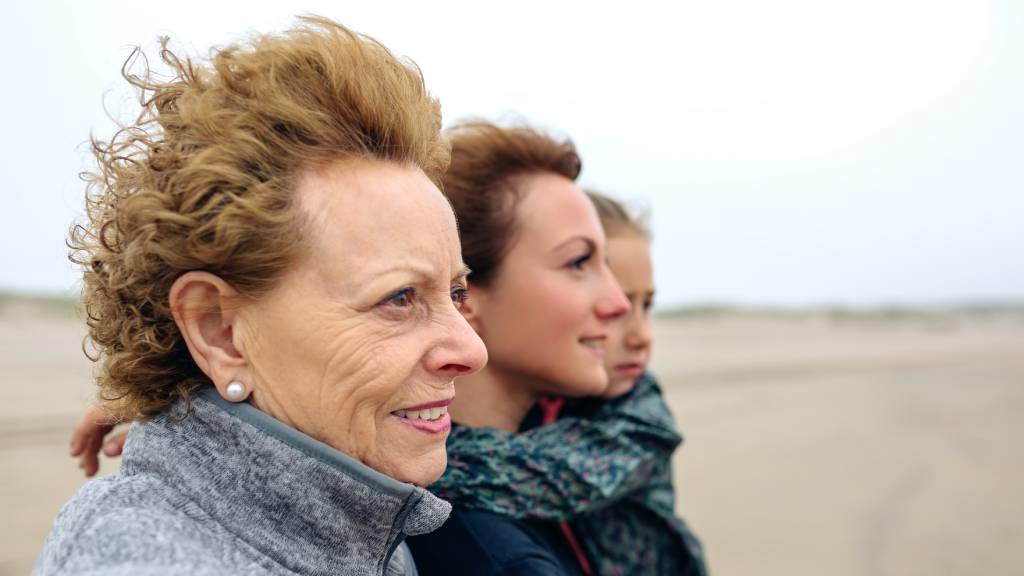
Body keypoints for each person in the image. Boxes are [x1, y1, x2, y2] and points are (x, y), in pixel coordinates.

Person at [38, 16, 487, 576]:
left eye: (456, 291)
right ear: (218, 331)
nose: (471, 349)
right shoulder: (149, 560)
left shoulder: (370, 513)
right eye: (399, 298)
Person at [407, 123, 704, 575]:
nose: (618, 304)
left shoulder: (600, 420)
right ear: (463, 294)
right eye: (579, 262)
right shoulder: (497, 551)